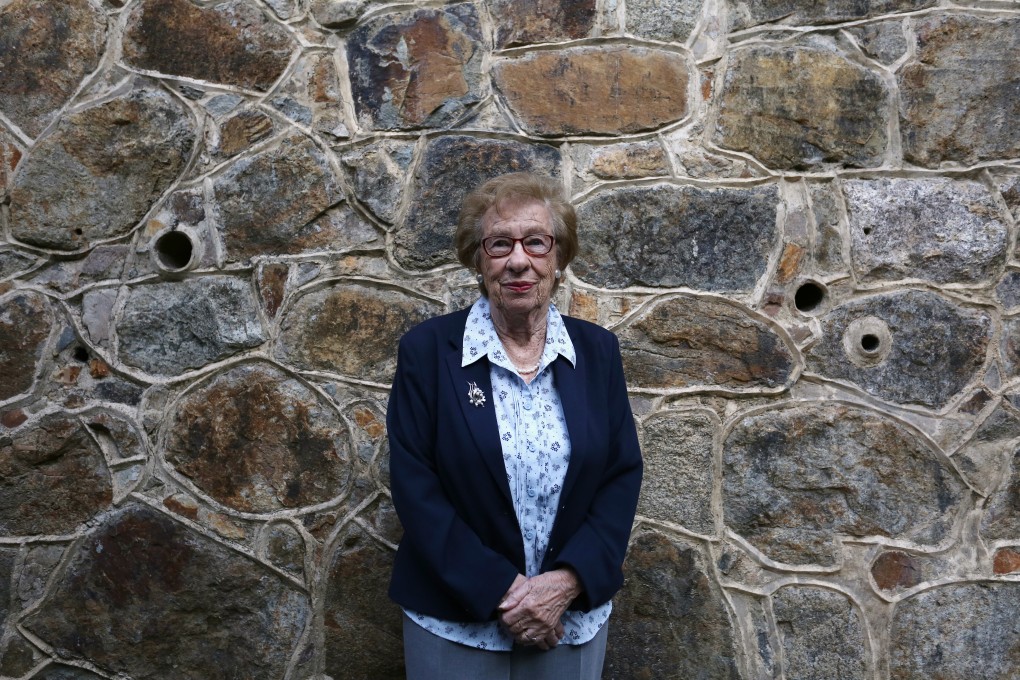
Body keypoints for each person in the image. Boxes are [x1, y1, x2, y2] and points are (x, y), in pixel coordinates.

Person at [387, 172, 643, 679]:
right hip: (455, 623)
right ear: (479, 261)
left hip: (568, 621)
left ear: (559, 258)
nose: (518, 260)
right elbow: (416, 489)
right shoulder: (429, 352)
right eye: (500, 244)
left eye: (536, 242)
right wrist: (504, 593)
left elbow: (620, 475)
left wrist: (564, 585)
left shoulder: (597, 353)